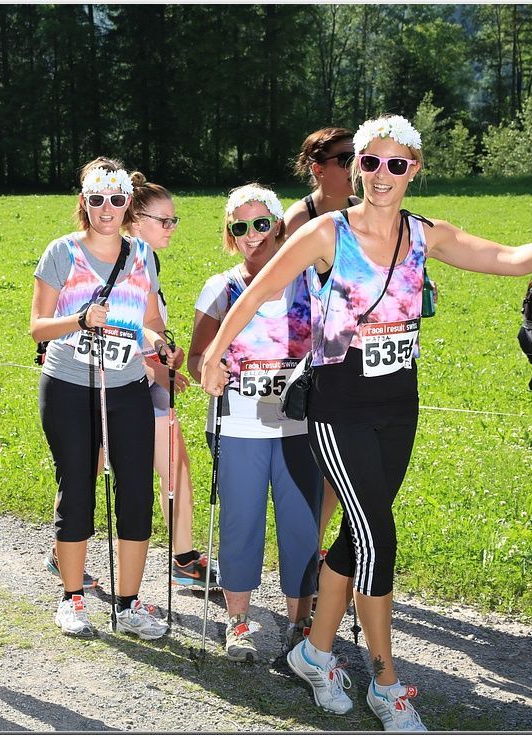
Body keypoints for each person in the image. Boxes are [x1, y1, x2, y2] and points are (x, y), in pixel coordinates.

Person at [198, 115, 532, 731]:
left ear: (414, 169)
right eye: (370, 162)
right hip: (339, 405)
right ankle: (386, 683)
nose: (382, 174)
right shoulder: (326, 232)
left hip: (399, 405)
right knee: (378, 539)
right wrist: (213, 354)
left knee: (358, 535)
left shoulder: (425, 234)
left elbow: (508, 259)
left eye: (396, 164)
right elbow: (258, 292)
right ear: (356, 168)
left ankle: (314, 652)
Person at [30, 156, 178, 640]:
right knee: (77, 489)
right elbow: (38, 327)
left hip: (127, 387)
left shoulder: (142, 255)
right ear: (84, 202)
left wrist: (160, 344)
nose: (107, 208)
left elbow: (149, 322)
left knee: (135, 494)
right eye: (97, 199)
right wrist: (79, 320)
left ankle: (129, 603)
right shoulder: (62, 252)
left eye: (116, 199)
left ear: (128, 202)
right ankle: (72, 597)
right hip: (70, 385)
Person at [188, 183, 323, 662]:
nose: (252, 234)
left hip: (299, 428)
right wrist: (209, 369)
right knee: (241, 524)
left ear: (279, 226)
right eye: (240, 226)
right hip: (239, 426)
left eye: (261, 223)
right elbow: (197, 358)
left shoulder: (310, 283)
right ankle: (238, 621)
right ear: (230, 234)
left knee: (301, 527)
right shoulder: (221, 288)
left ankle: (299, 626)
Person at [127, 171, 221, 592]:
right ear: (135, 220)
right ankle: (64, 550)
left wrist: (167, 351)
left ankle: (184, 558)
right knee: (93, 468)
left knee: (175, 465)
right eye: (163, 220)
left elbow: (149, 322)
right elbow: (116, 325)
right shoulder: (126, 258)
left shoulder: (147, 257)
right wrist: (152, 368)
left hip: (150, 376)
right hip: (124, 381)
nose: (171, 227)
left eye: (173, 220)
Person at [282, 127, 361, 579]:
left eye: (357, 156)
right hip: (308, 353)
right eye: (345, 158)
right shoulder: (299, 219)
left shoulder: (363, 211)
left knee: (341, 465)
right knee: (316, 461)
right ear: (318, 169)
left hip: (354, 349)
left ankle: (317, 549)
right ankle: (305, 555)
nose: (355, 166)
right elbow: (281, 290)